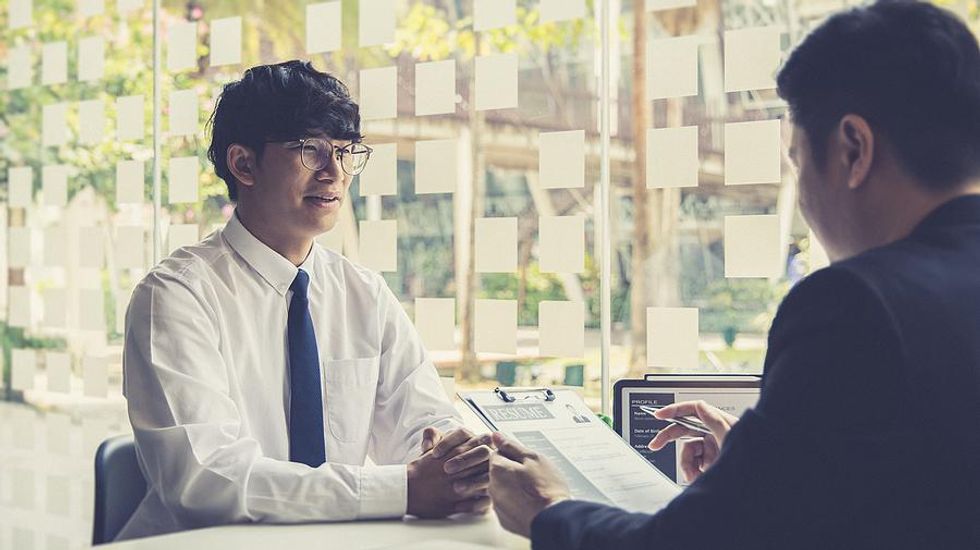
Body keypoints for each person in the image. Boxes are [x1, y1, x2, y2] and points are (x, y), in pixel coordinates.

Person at [488, 1, 980, 548]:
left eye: (796, 161)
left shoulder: (856, 304)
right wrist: (773, 472)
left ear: (853, 148)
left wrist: (549, 511)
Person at [119, 61, 492, 540]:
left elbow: (423, 426)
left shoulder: (363, 294)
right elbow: (208, 480)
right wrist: (401, 489)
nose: (334, 172)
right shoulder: (175, 296)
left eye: (344, 152)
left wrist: (456, 465)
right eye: (309, 151)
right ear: (243, 164)